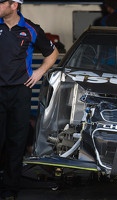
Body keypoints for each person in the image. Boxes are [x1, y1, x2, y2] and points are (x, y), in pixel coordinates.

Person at [0, 0, 59, 199]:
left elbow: (53, 54)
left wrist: (39, 73)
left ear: (14, 5)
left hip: (20, 92)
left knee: (16, 142)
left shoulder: (31, 29)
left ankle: (10, 188)